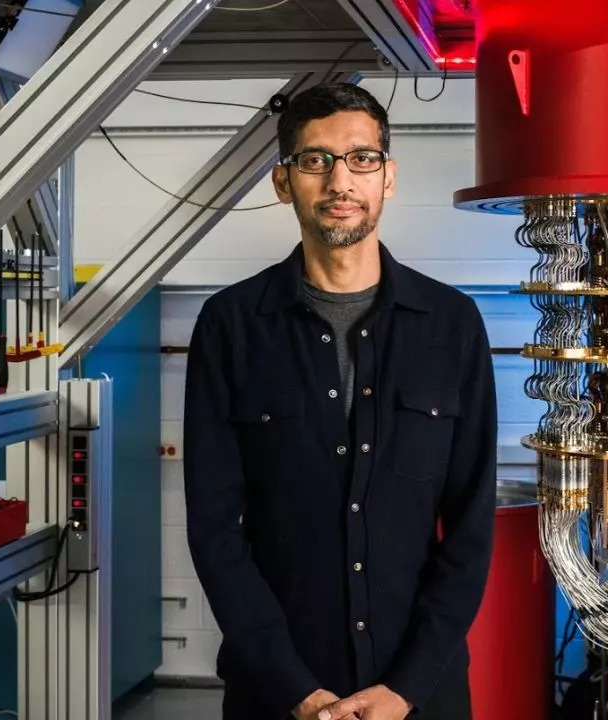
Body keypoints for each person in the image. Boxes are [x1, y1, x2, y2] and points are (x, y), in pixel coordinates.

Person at [183, 82, 498, 720]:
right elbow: (215, 532)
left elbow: (470, 527)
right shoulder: (230, 327)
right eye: (315, 160)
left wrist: (405, 687)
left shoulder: (451, 325)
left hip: (420, 693)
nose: (339, 180)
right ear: (282, 181)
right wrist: (295, 690)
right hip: (275, 692)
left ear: (388, 177)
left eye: (361, 159)